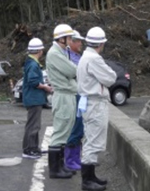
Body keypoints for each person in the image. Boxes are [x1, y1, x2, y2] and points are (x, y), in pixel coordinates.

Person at [77, 27, 117, 191]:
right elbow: (111, 78)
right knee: (93, 141)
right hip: (95, 103)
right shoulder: (94, 59)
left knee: (90, 139)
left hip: (89, 102)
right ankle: (87, 181)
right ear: (101, 43)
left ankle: (91, 177)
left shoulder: (85, 57)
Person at [46, 24, 77, 179]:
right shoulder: (54, 54)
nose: (70, 41)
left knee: (65, 132)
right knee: (60, 132)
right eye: (69, 38)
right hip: (63, 96)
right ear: (62, 38)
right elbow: (72, 71)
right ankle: (55, 169)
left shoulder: (61, 52)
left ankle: (61, 166)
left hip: (67, 96)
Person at [22, 37, 52, 159]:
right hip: (34, 99)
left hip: (33, 98)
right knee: (33, 125)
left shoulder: (31, 63)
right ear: (39, 51)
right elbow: (33, 81)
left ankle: (34, 148)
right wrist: (46, 87)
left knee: (34, 124)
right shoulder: (33, 65)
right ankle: (29, 150)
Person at [64, 30, 85, 171]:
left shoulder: (78, 56)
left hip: (81, 94)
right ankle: (69, 159)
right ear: (70, 41)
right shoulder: (67, 57)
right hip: (73, 95)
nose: (80, 44)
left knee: (80, 127)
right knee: (75, 126)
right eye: (77, 41)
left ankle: (76, 157)